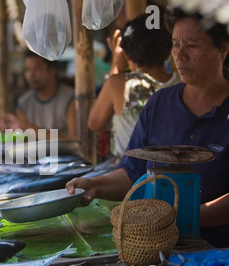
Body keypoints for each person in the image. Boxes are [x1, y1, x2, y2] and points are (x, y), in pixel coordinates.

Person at [66, 7, 229, 248]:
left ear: (223, 49)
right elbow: (132, 172)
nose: (179, 55)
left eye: (192, 45)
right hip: (157, 247)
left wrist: (188, 217)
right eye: (175, 44)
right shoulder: (159, 103)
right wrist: (95, 185)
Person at [88, 13, 180, 160]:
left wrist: (116, 65)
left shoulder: (118, 84)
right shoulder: (184, 85)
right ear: (169, 50)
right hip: (170, 168)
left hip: (127, 175)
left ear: (127, 55)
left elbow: (94, 124)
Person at [0, 51, 77, 140]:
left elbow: (73, 140)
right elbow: (25, 138)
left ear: (52, 71)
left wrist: (26, 127)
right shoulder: (23, 103)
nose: (31, 75)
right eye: (27, 70)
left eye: (37, 69)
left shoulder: (71, 98)